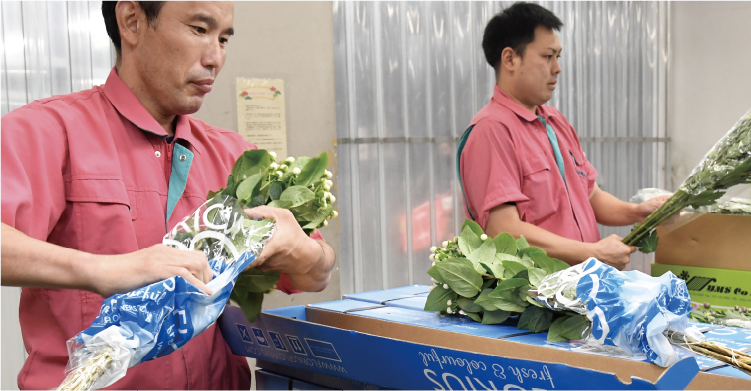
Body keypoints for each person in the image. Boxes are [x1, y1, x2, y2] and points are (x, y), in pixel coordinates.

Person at [0, 0, 335, 389]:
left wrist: (305, 252)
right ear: (132, 21)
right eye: (199, 29)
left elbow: (318, 272)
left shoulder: (234, 157)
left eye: (224, 38)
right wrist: (106, 270)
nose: (215, 58)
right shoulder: (46, 131)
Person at [457, 2, 666, 270]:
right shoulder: (491, 131)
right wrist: (592, 252)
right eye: (547, 57)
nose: (557, 68)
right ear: (509, 59)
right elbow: (503, 229)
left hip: (580, 289)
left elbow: (591, 197)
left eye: (559, 57)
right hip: (536, 301)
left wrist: (638, 212)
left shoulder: (555, 122)